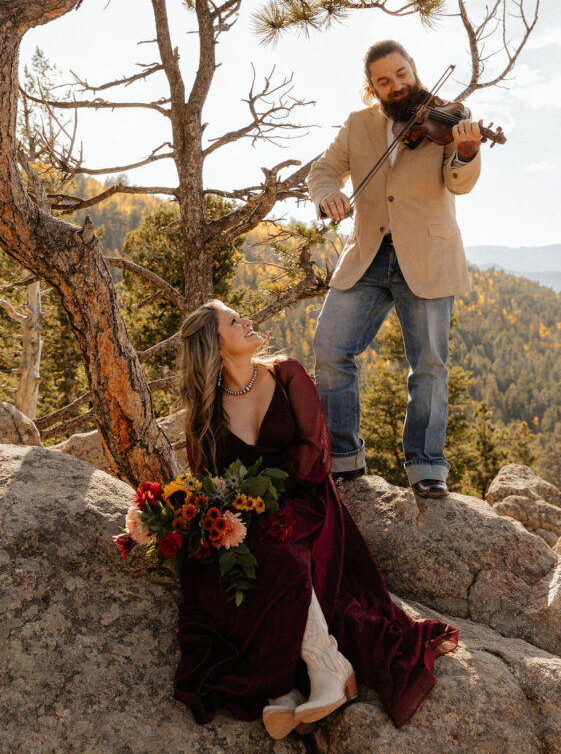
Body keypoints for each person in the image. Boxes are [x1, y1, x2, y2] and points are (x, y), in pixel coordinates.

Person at [173, 300, 459, 737]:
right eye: (234, 321)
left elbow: (315, 454)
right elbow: (209, 485)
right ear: (215, 343)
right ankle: (287, 689)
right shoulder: (206, 416)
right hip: (253, 519)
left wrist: (263, 499)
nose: (248, 320)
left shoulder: (285, 373)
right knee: (221, 563)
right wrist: (233, 511)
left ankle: (324, 668)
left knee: (277, 545)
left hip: (309, 501)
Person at [307, 40, 482, 498]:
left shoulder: (446, 120)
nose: (397, 85)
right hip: (368, 253)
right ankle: (343, 460)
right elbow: (322, 170)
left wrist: (465, 153)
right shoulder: (358, 125)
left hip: (426, 256)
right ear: (372, 87)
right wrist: (328, 195)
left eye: (402, 73)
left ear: (414, 68)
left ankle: (427, 467)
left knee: (428, 365)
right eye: (384, 80)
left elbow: (457, 182)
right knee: (330, 348)